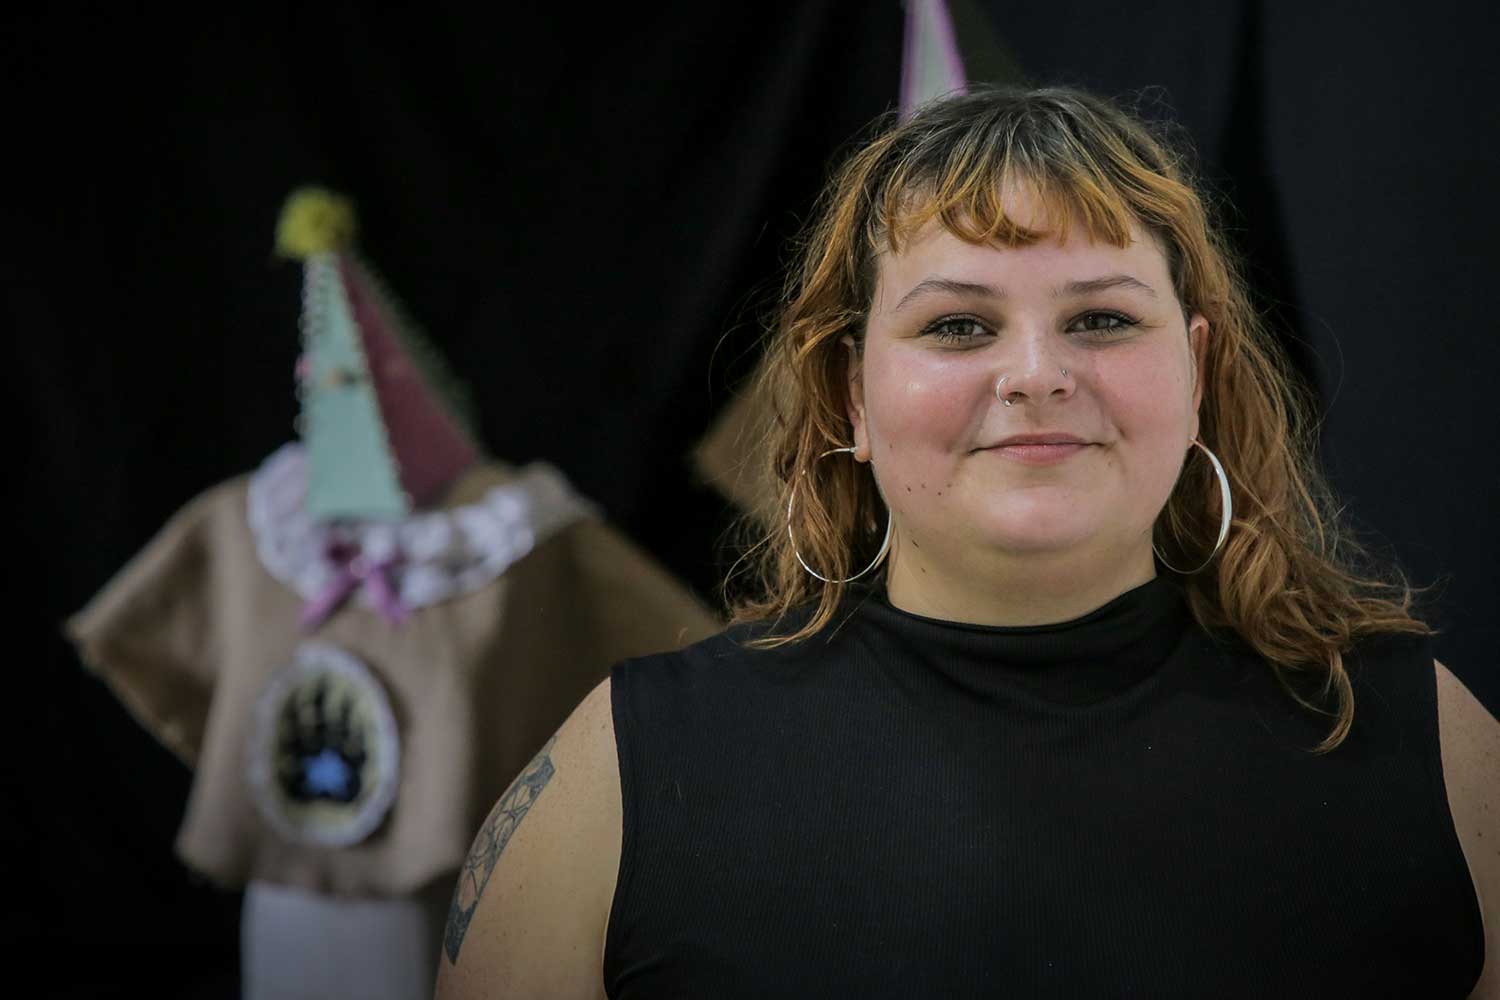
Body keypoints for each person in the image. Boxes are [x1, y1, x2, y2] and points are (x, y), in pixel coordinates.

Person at [433, 85, 1498, 999]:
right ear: (850, 392)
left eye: (1103, 319)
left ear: (1199, 371)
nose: (1037, 372)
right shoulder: (628, 765)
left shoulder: (1424, 743)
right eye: (958, 325)